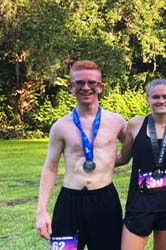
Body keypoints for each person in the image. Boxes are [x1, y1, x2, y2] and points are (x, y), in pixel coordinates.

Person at [35, 60, 127, 249]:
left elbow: (134, 150)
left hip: (105, 202)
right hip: (69, 203)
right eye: (80, 83)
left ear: (101, 87)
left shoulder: (116, 122)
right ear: (71, 87)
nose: (86, 87)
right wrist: (42, 210)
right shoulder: (60, 127)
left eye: (92, 83)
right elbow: (50, 167)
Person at [116, 79, 166, 250]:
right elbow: (124, 158)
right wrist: (95, 161)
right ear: (147, 99)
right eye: (155, 97)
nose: (161, 101)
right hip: (140, 200)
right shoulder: (135, 124)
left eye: (165, 96)